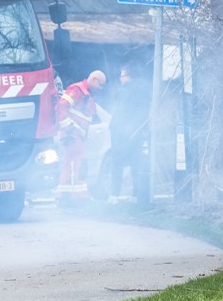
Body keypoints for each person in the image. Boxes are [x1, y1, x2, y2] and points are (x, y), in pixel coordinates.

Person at [102, 65, 152, 203]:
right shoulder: (145, 91)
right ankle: (136, 195)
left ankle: (114, 195)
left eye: (122, 75)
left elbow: (120, 112)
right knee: (136, 163)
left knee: (116, 162)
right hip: (137, 131)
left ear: (129, 76)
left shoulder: (124, 91)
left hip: (121, 132)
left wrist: (117, 127)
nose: (120, 78)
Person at [55, 69, 106, 198]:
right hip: (72, 134)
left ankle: (65, 195)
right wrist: (70, 128)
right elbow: (61, 106)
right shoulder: (77, 90)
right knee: (77, 163)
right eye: (100, 84)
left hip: (76, 135)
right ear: (93, 80)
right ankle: (79, 196)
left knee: (71, 162)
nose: (101, 88)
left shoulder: (86, 94)